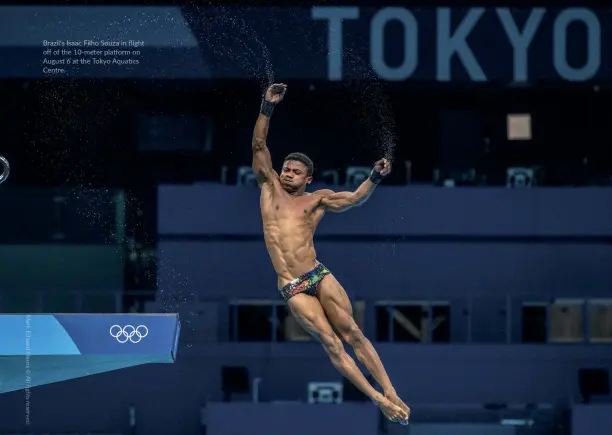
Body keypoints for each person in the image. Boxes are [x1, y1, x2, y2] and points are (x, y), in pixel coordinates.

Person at [252, 83, 410, 424]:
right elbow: (259, 144)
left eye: (295, 172)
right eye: (286, 168)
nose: (287, 173)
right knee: (332, 343)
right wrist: (267, 107)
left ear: (309, 179)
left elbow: (353, 199)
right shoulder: (269, 187)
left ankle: (392, 391)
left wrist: (374, 178)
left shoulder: (316, 199)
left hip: (317, 274)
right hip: (292, 284)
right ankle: (378, 399)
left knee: (353, 333)